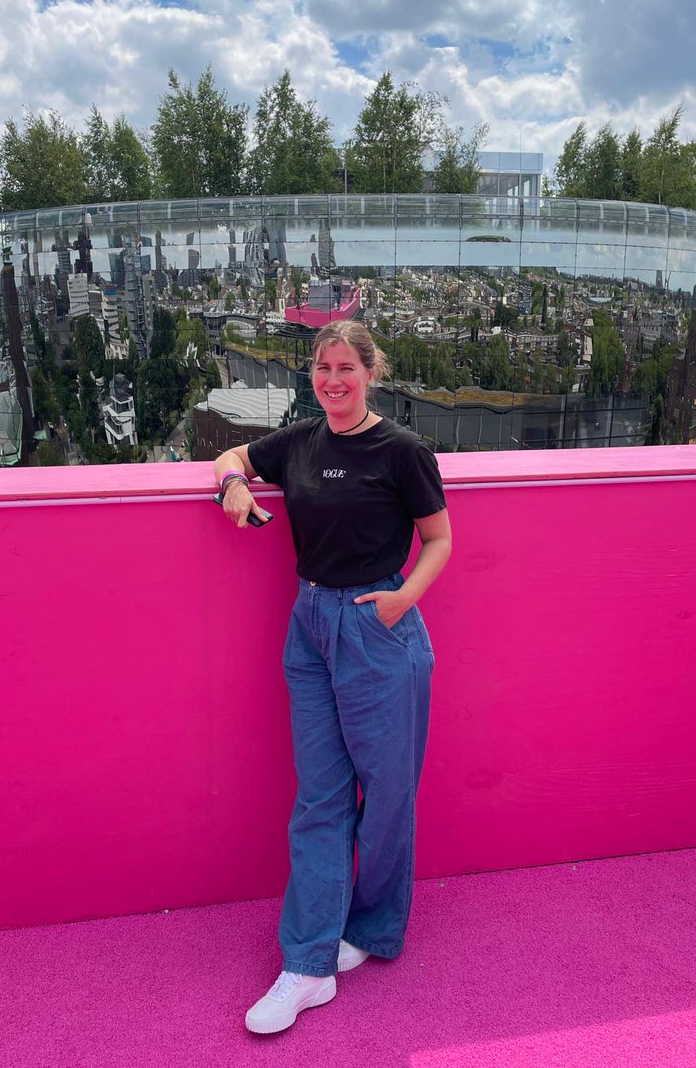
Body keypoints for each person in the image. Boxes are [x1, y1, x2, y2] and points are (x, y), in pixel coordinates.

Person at [213, 320, 452, 1035]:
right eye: (322, 369)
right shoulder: (299, 441)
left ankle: (373, 928)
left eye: (346, 367)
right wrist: (230, 483)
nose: (333, 381)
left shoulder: (402, 450)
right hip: (309, 625)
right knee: (320, 798)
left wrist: (404, 598)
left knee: (386, 796)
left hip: (378, 626)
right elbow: (233, 451)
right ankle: (308, 964)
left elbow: (439, 538)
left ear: (369, 372)